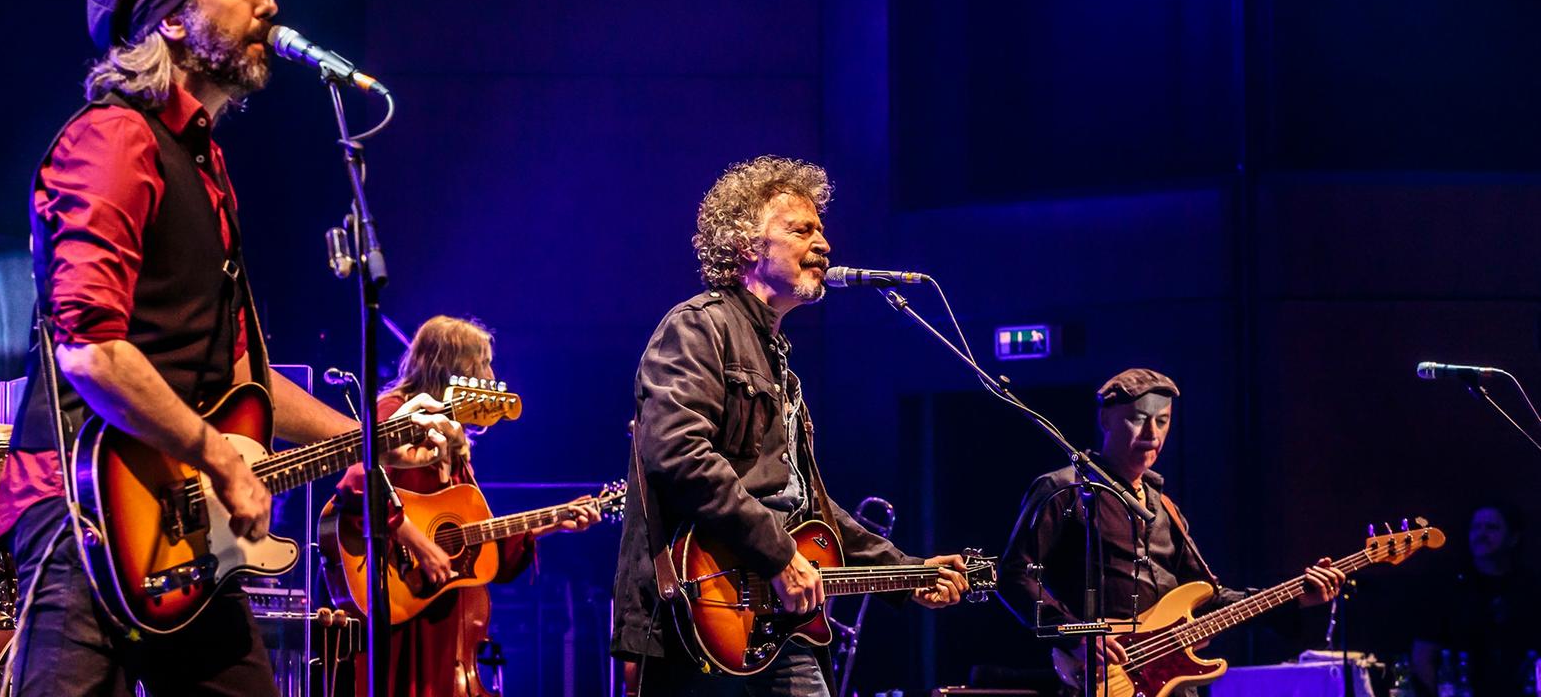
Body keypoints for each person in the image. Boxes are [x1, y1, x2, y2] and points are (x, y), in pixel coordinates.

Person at [0, 0, 451, 696]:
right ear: (171, 17)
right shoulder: (113, 141)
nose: (269, 3)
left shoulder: (205, 164)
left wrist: (376, 433)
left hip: (184, 534)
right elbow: (90, 350)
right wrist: (218, 460)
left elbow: (247, 380)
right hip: (81, 523)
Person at [611, 155, 971, 696]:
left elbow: (810, 513)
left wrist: (910, 572)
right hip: (702, 610)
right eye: (801, 230)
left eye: (822, 231)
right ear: (745, 245)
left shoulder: (782, 369)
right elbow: (678, 454)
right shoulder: (697, 327)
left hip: (782, 616)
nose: (823, 245)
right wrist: (779, 553)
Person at [996, 368, 1346, 696]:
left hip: (1171, 684)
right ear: (1105, 419)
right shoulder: (1064, 489)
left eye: (1162, 422)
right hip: (1102, 678)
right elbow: (1014, 575)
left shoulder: (1165, 509)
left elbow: (1211, 596)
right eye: (1138, 419)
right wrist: (1079, 636)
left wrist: (1296, 597)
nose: (1152, 433)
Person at [331, 316, 603, 696]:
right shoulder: (396, 412)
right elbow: (358, 483)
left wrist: (553, 523)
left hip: (443, 622)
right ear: (453, 367)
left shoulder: (454, 439)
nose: (491, 374)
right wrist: (420, 544)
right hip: (395, 604)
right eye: (483, 363)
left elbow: (473, 541)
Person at [1411, 502, 1541, 695]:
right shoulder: (1449, 588)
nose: (1481, 535)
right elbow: (1423, 654)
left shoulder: (1531, 588)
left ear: (1513, 538)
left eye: (1491, 528)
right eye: (1476, 528)